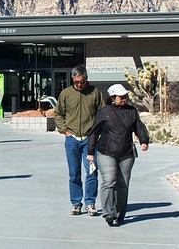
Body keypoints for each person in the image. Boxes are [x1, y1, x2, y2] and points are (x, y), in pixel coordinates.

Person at [87, 84, 150, 226]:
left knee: (123, 184)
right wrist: (90, 152)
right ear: (113, 98)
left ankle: (120, 213)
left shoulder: (131, 111)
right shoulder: (104, 112)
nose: (124, 99)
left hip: (126, 153)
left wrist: (144, 140)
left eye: (125, 96)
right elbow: (94, 132)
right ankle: (108, 213)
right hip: (106, 152)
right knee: (109, 181)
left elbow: (138, 127)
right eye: (121, 97)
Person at [54, 64, 104, 216]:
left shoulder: (95, 93)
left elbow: (102, 113)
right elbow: (58, 114)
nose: (79, 85)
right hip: (72, 139)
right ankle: (76, 203)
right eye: (76, 82)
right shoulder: (66, 94)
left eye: (82, 81)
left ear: (86, 79)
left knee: (91, 172)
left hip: (90, 139)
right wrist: (65, 131)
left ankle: (90, 202)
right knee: (74, 173)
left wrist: (97, 132)